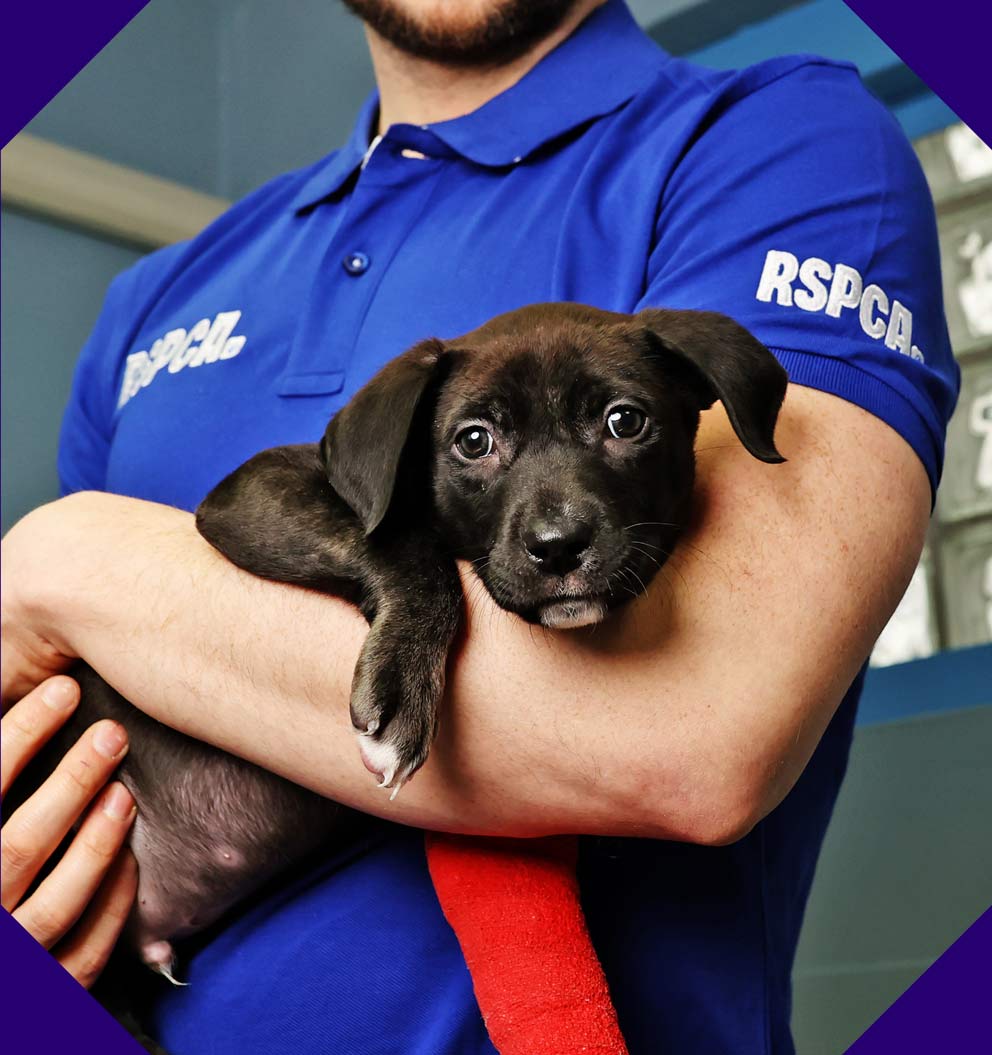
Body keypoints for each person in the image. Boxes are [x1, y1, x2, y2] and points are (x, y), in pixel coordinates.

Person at [0, 0, 960, 1051]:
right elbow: (48, 707)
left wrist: (64, 558)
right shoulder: (155, 295)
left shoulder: (776, 142)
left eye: (620, 422)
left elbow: (690, 738)